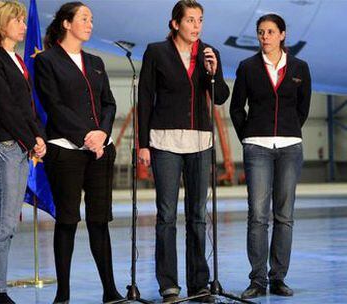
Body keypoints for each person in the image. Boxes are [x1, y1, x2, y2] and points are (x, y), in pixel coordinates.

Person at [138, 0, 230, 302]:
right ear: (176, 23)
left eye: (200, 20)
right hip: (164, 141)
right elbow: (145, 98)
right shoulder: (156, 52)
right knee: (166, 215)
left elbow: (221, 97)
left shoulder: (209, 53)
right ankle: (168, 284)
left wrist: (213, 72)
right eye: (190, 20)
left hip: (200, 142)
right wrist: (142, 144)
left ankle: (199, 284)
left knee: (198, 216)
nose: (196, 26)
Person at [33, 2, 122, 303]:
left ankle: (110, 291)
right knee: (67, 220)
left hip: (99, 151)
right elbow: (53, 105)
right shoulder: (47, 61)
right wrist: (85, 135)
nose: (90, 24)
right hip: (66, 150)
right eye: (84, 18)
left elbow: (109, 104)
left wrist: (102, 134)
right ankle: (63, 293)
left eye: (91, 19)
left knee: (100, 220)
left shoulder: (96, 61)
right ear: (67, 24)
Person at [229, 13, 311, 299]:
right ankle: (257, 279)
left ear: (282, 35)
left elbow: (303, 108)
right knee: (258, 216)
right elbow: (236, 108)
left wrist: (288, 131)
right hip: (257, 147)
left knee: (284, 216)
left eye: (270, 32)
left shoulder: (300, 67)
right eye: (261, 32)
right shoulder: (247, 67)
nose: (265, 37)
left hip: (290, 147)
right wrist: (249, 137)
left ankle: (278, 278)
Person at [0, 2, 47, 303]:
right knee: (2, 222)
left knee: (7, 223)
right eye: (17, 20)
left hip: (18, 146)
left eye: (23, 20)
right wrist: (30, 139)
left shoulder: (16, 59)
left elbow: (25, 107)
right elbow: (3, 107)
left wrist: (39, 137)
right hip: (3, 146)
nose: (23, 25)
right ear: (2, 24)